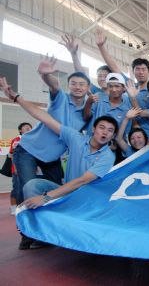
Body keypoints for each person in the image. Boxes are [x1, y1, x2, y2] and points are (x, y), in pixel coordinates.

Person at [0, 78, 116, 249]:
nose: (105, 132)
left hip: (84, 200)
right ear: (93, 129)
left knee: (46, 195)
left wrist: (46, 197)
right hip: (65, 191)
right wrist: (16, 97)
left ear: (113, 136)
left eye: (110, 130)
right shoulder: (76, 139)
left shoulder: (108, 157)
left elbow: (82, 181)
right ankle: (36, 234)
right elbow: (44, 118)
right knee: (31, 186)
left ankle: (54, 230)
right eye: (102, 127)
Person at [8, 58, 90, 207]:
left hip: (52, 158)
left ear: (87, 87)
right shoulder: (61, 98)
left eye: (82, 84)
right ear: (69, 86)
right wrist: (45, 75)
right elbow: (54, 85)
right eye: (73, 84)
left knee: (55, 192)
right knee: (29, 188)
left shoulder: (87, 111)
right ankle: (27, 226)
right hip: (28, 150)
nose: (77, 87)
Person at [83, 73, 131, 139]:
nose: (114, 89)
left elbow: (125, 133)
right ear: (107, 87)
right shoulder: (98, 97)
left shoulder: (128, 106)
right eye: (110, 86)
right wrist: (88, 103)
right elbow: (86, 118)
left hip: (111, 146)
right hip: (90, 141)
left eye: (117, 86)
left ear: (123, 88)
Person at [9, 122, 32, 215]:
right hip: (17, 169)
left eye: (30, 128)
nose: (29, 129)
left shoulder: (33, 139)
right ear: (20, 130)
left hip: (30, 169)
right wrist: (17, 168)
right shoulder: (17, 140)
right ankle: (14, 207)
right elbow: (11, 155)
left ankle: (26, 206)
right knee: (17, 188)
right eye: (26, 128)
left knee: (27, 188)